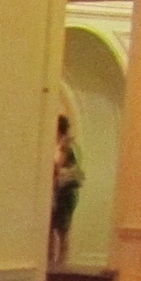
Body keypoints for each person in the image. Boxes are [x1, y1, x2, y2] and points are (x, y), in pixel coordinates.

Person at [50, 113, 84, 266]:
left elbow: (57, 165)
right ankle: (57, 260)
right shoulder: (71, 144)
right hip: (65, 191)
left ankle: (59, 262)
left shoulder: (65, 145)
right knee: (59, 227)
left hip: (64, 191)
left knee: (60, 228)